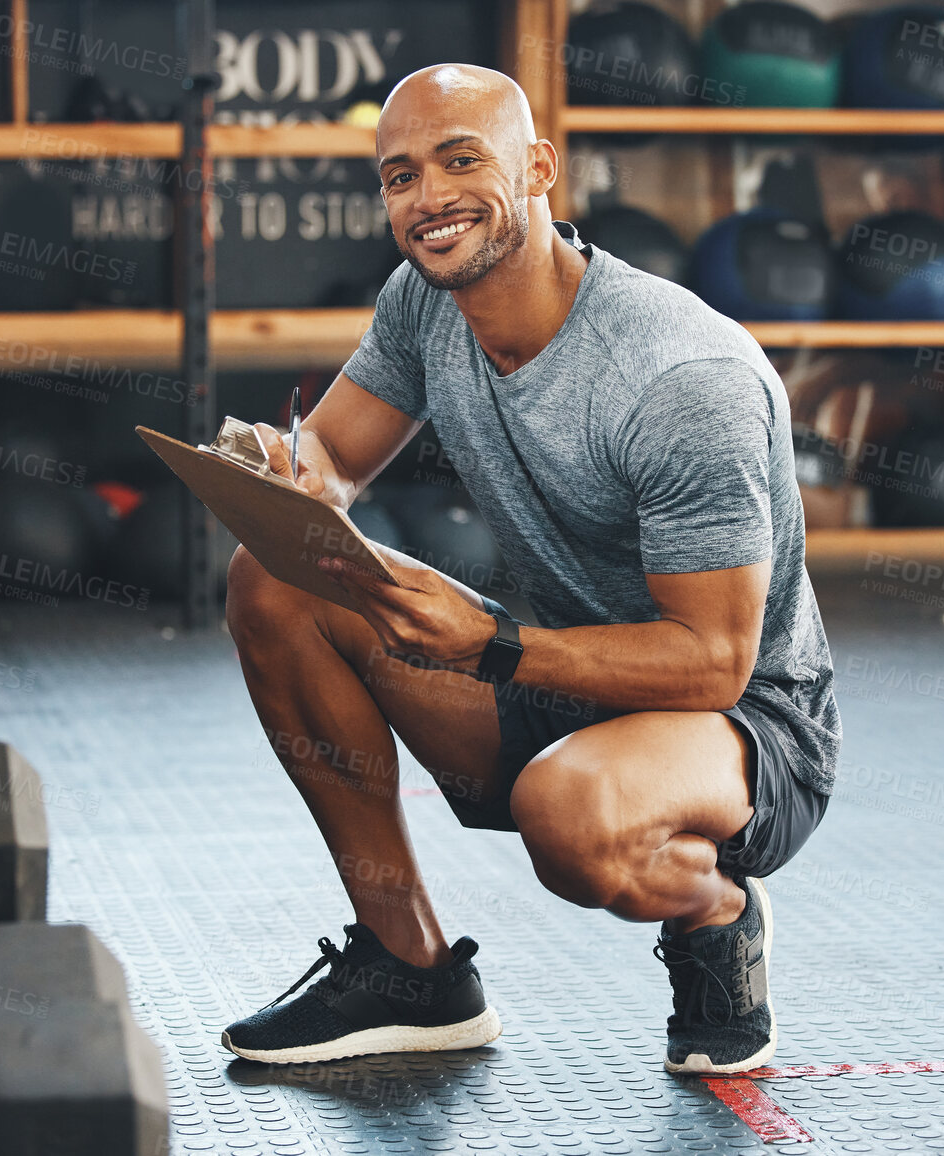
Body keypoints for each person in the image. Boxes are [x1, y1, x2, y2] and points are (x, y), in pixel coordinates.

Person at [220, 62, 839, 1075]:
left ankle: (713, 911)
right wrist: (280, 470)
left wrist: (493, 643)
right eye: (399, 176)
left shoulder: (681, 379)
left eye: (460, 160)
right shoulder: (425, 303)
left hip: (738, 725)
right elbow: (328, 461)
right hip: (551, 674)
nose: (427, 197)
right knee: (273, 579)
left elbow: (715, 661)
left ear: (538, 168)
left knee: (569, 816)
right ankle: (409, 970)